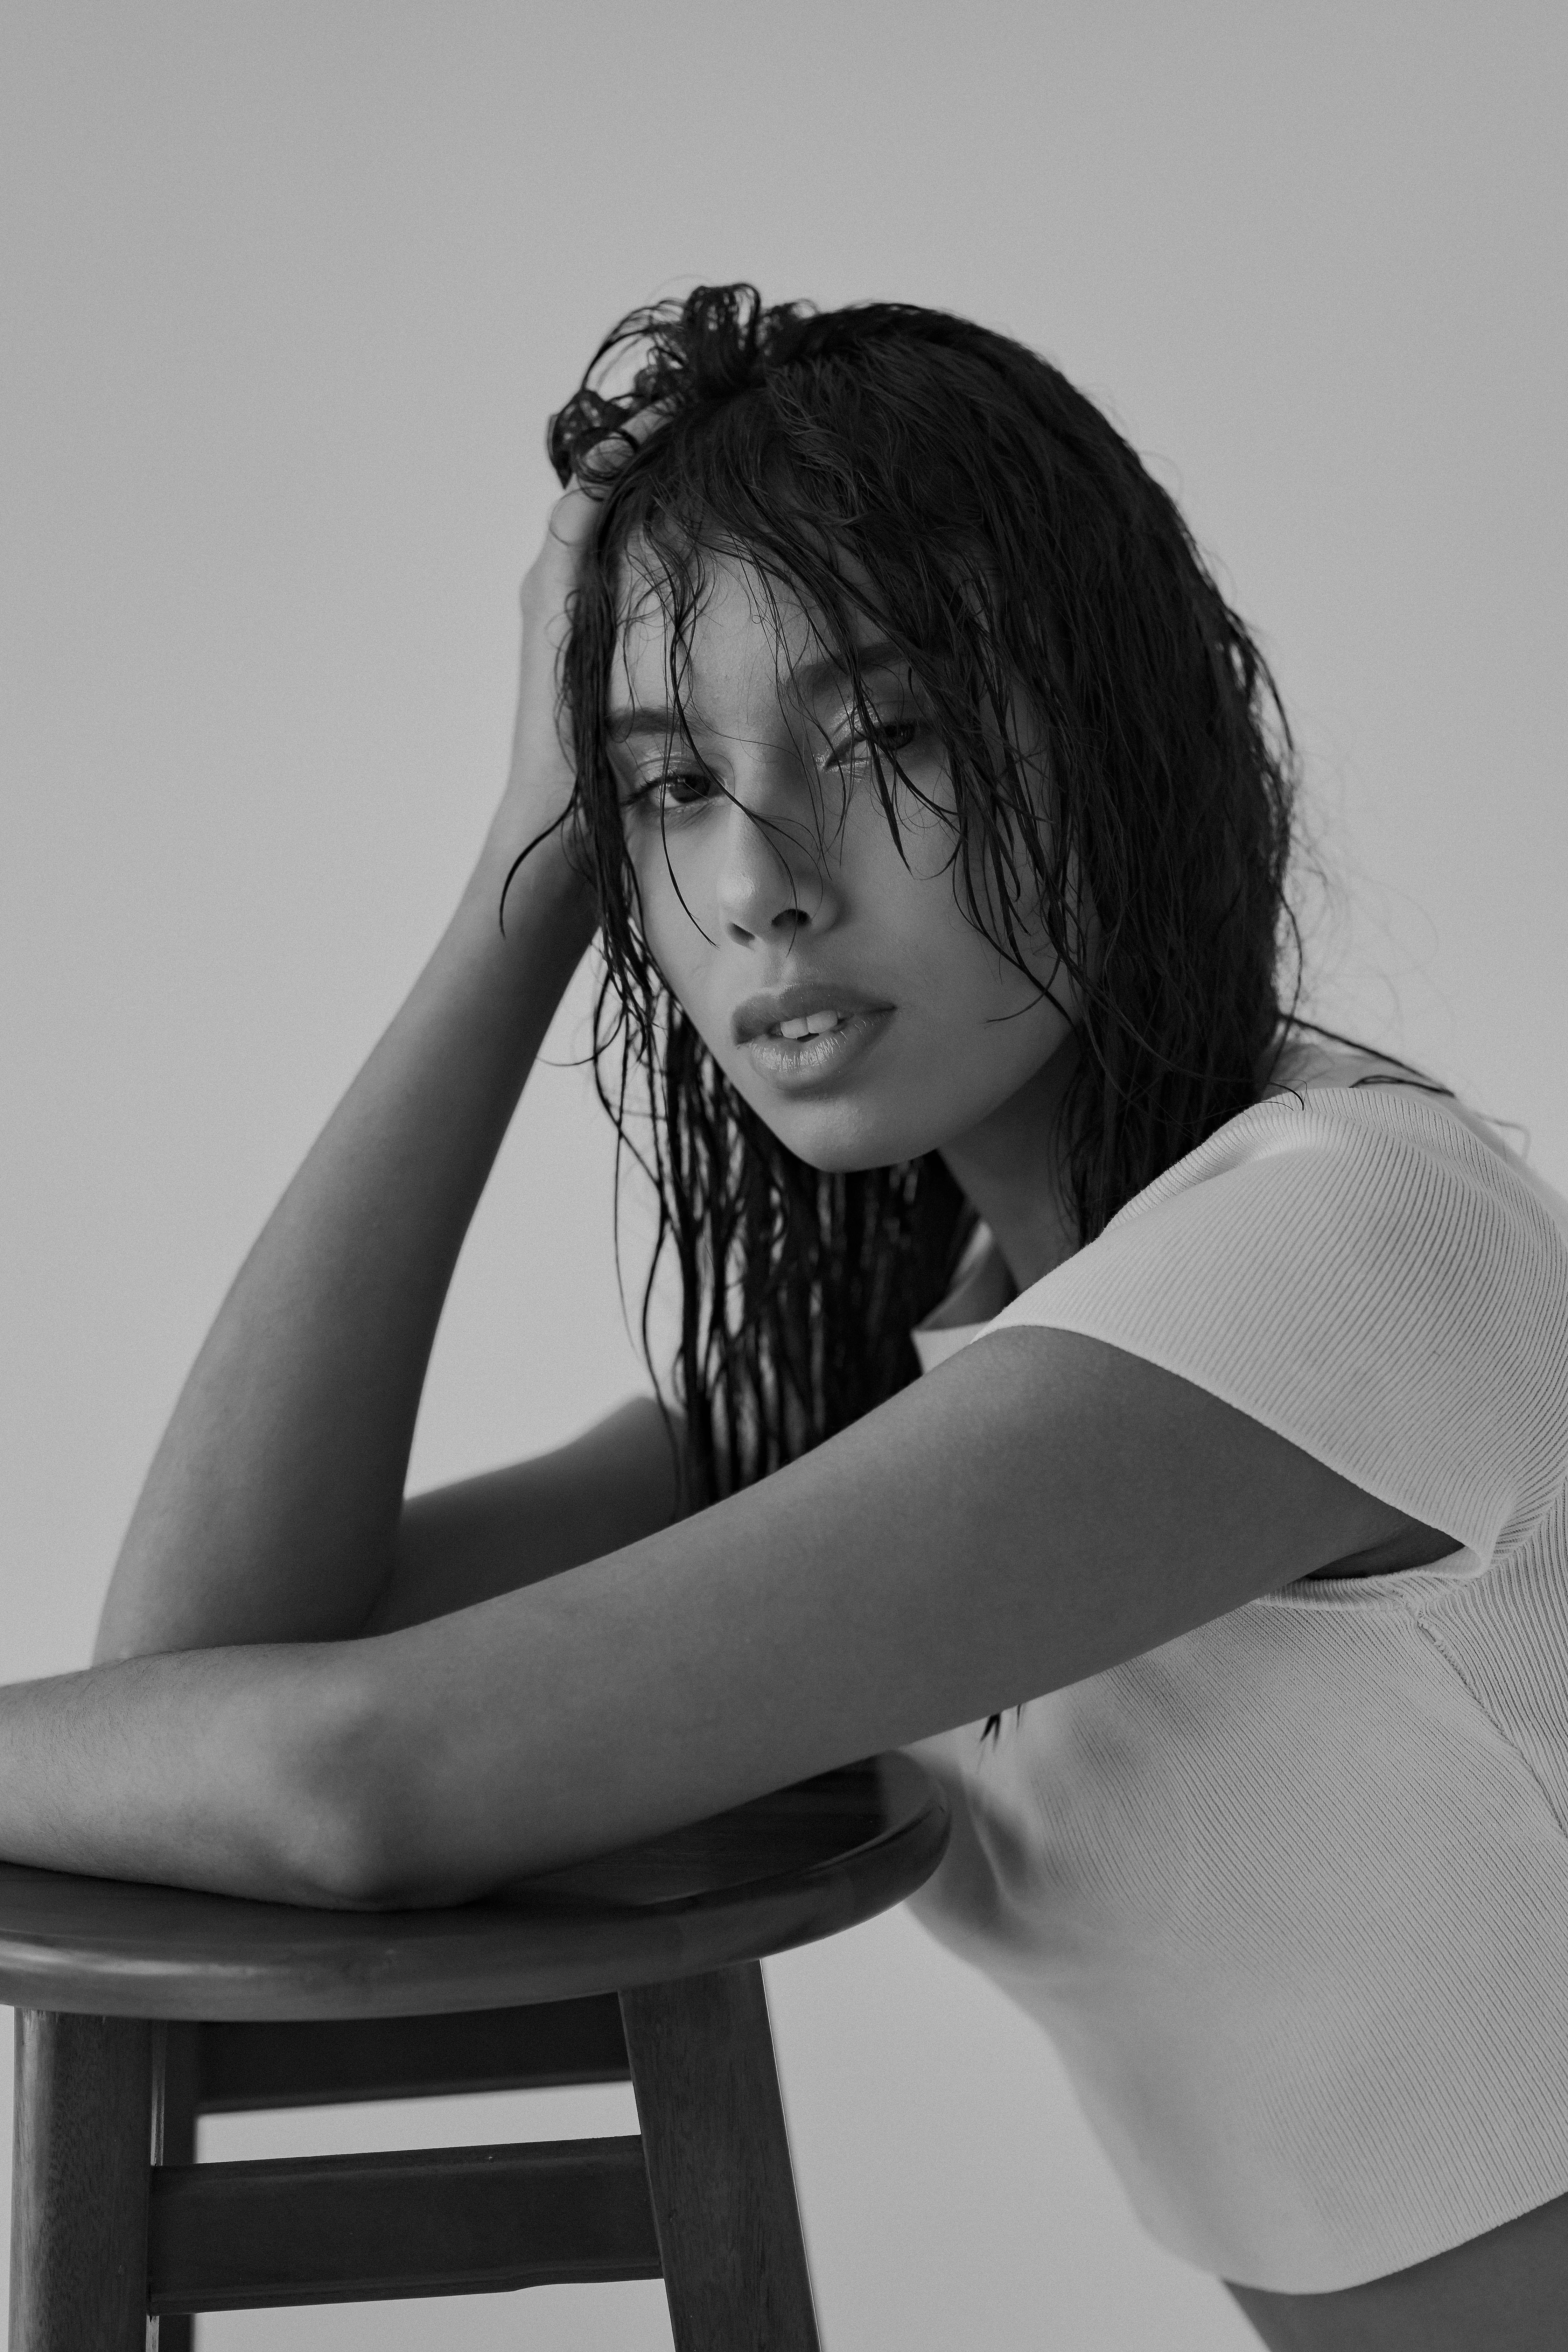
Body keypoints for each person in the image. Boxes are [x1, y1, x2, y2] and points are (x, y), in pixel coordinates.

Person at [7, 285, 1568, 2347]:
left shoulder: (1335, 1248)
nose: (757, 878)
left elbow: (356, 1782)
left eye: (889, 732)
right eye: (666, 788)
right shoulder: (936, 1351)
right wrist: (526, 866)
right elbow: (209, 1674)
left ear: (1127, 730)